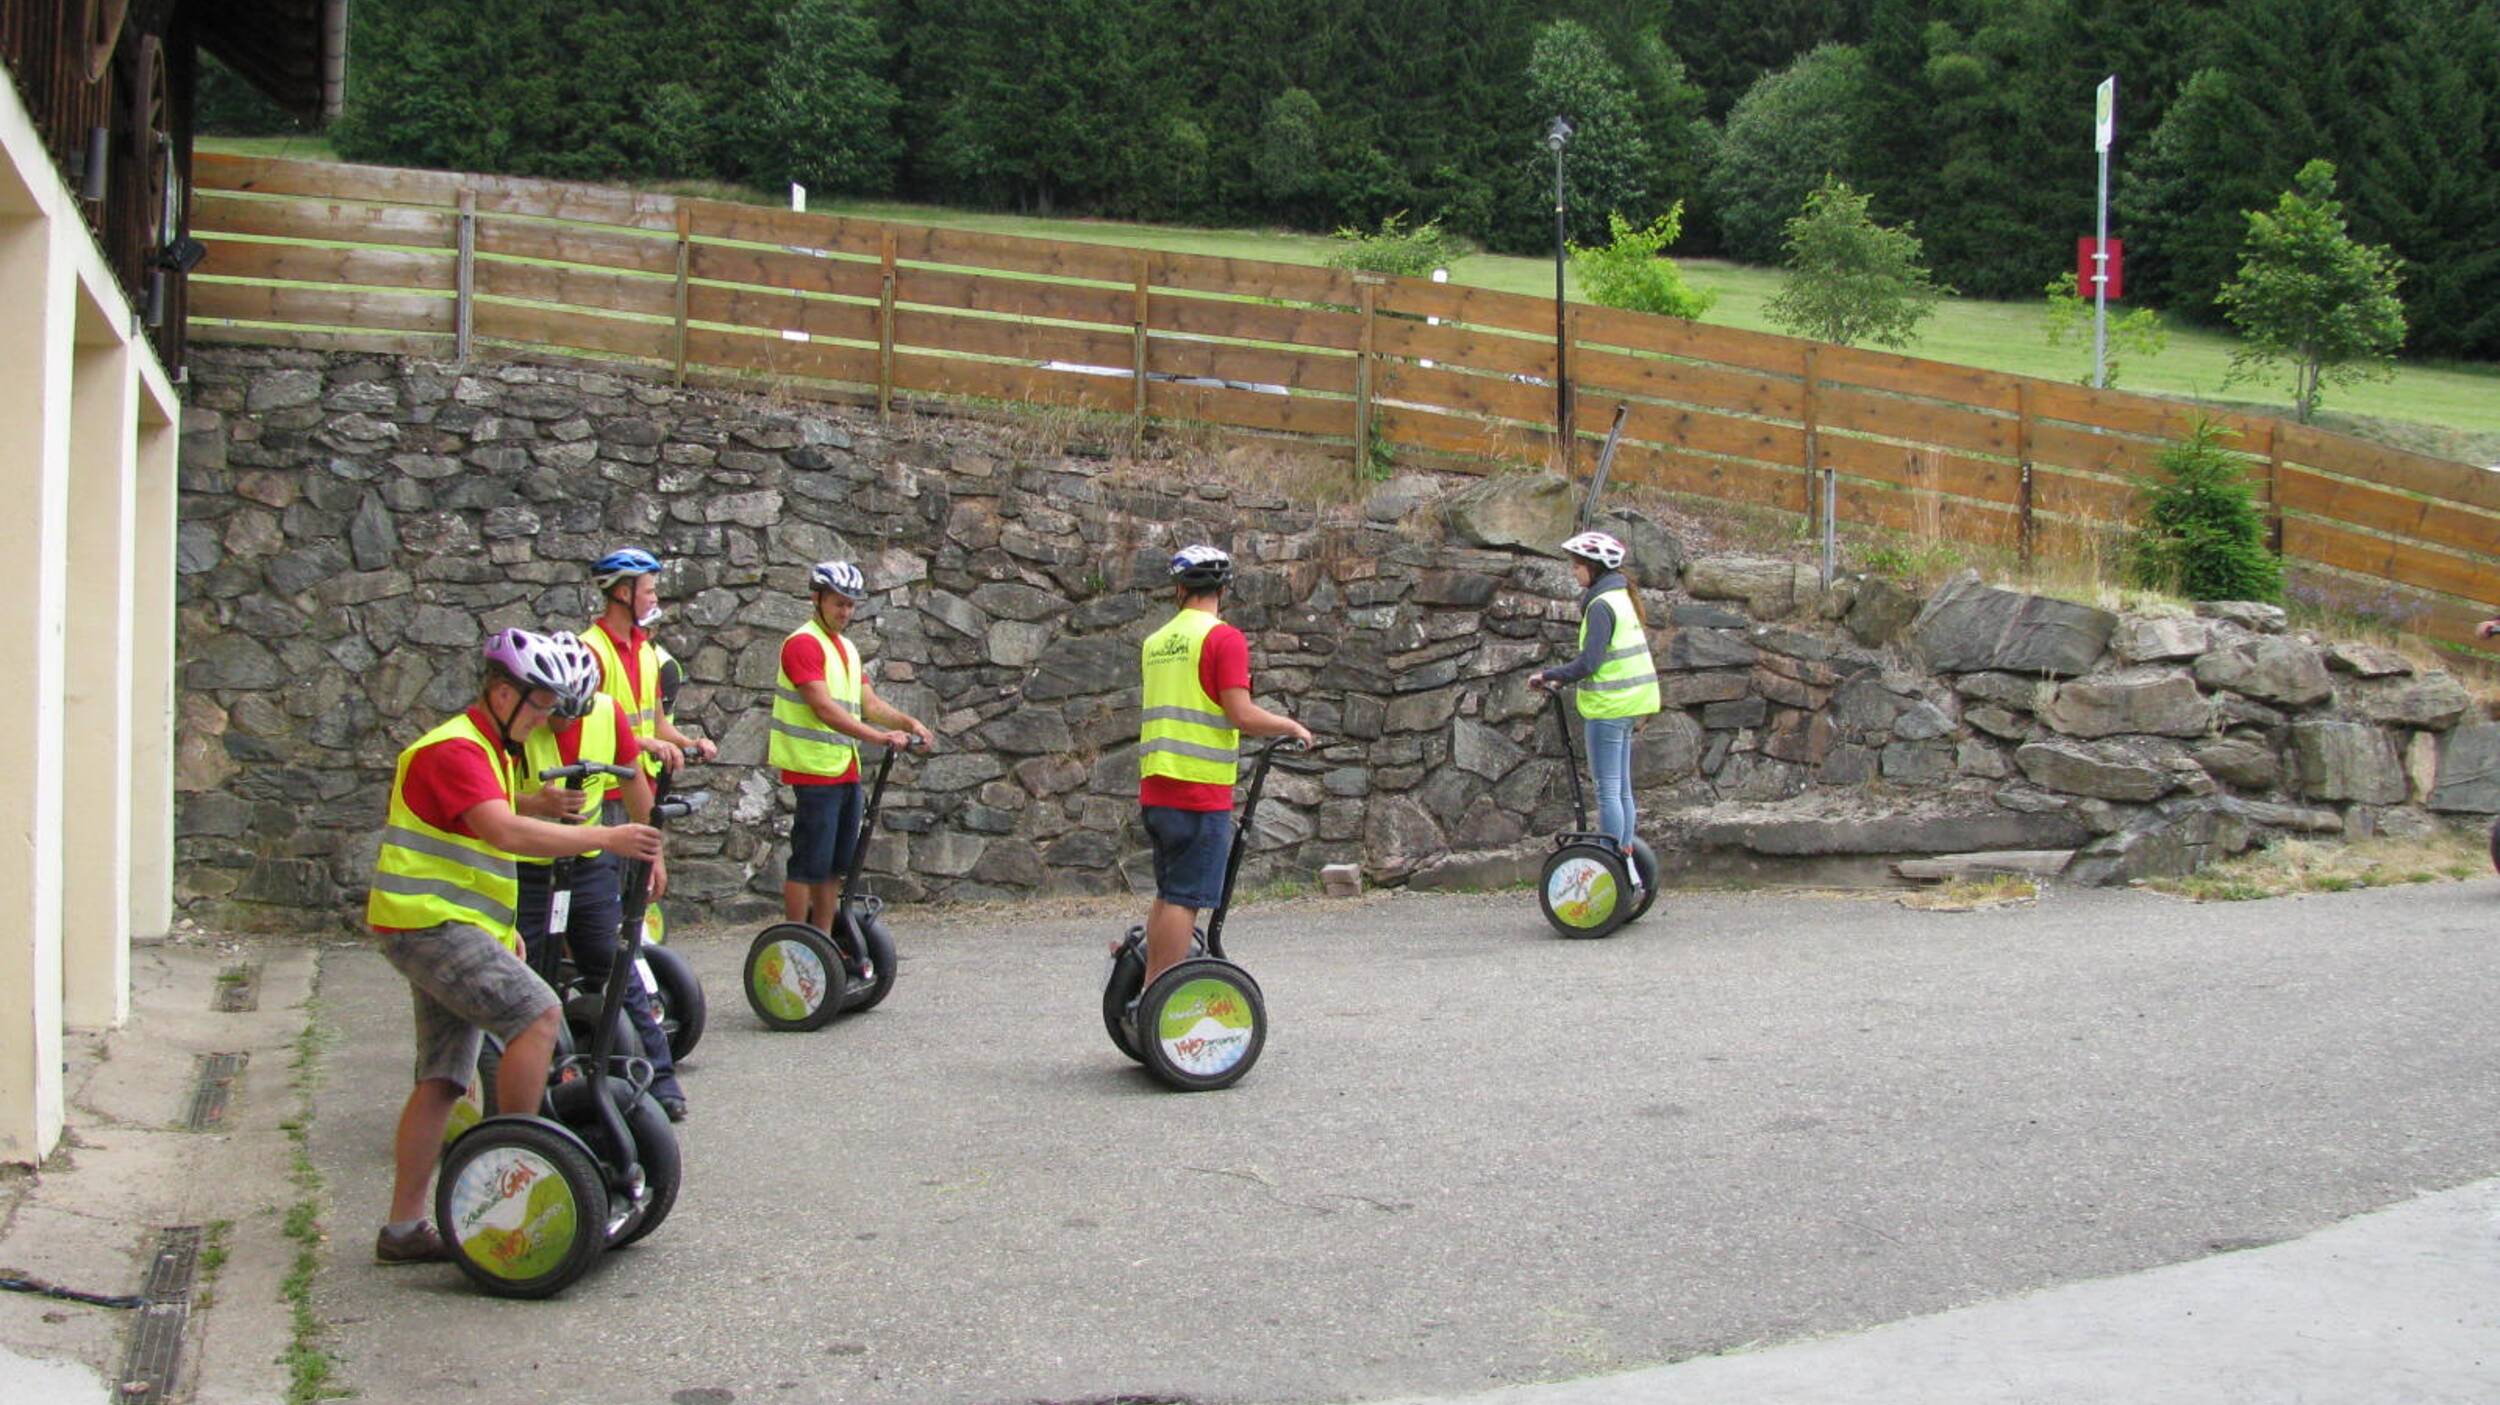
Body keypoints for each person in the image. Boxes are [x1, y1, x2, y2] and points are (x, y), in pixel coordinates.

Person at [368, 629, 664, 1264]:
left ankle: (402, 1231)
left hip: (443, 926)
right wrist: (606, 839)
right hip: (427, 924)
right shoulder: (454, 749)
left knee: (444, 1079)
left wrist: (502, 938)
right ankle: (516, 1166)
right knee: (538, 1014)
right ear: (503, 693)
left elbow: (480, 845)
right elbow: (504, 832)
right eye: (539, 704)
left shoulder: (491, 749)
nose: (546, 718)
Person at [511, 633, 689, 1122]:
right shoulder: (519, 722)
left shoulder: (607, 713)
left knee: (616, 966)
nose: (563, 723)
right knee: (526, 976)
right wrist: (535, 803)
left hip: (587, 862)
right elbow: (490, 797)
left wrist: (654, 856)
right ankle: (529, 1094)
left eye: (574, 714)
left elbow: (634, 784)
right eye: (556, 713)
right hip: (527, 867)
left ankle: (660, 1080)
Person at [1134, 544, 1312, 990]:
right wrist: (1290, 726)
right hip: (1198, 788)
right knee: (1186, 898)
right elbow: (1241, 714)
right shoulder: (1222, 638)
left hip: (1157, 787)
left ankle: (1148, 990)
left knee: (1169, 893)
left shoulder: (1155, 644)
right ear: (1224, 589)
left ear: (1179, 589)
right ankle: (1160, 997)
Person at [770, 560, 936, 932]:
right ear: (817, 599)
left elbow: (870, 704)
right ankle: (794, 940)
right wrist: (878, 737)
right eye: (838, 603)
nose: (845, 611)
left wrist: (909, 724)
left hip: (844, 769)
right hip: (813, 770)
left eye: (850, 604)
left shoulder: (845, 648)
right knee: (808, 863)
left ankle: (823, 938)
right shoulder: (803, 644)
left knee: (834, 866)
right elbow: (823, 707)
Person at [1528, 531, 1661, 891]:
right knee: (1622, 789)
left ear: (1594, 567)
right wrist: (1561, 678)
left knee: (1607, 791)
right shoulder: (1620, 597)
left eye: (1577, 566)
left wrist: (1549, 675)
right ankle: (1625, 859)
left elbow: (1590, 662)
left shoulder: (1601, 605)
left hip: (1609, 706)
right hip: (1631, 702)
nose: (1573, 572)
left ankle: (1612, 863)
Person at [583, 547, 717, 775]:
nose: (655, 599)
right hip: (605, 784)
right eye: (649, 591)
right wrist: (644, 744)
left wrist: (690, 744)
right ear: (624, 594)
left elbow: (657, 724)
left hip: (642, 780)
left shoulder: (646, 651)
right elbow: (583, 730)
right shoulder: (589, 651)